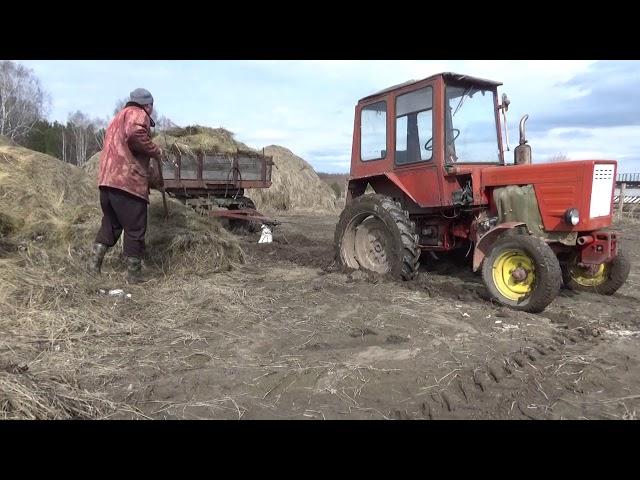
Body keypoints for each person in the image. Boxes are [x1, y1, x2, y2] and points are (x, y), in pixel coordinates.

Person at [89, 88, 163, 283]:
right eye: (152, 106)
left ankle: (93, 267)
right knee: (135, 228)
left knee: (110, 225)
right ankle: (134, 276)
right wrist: (155, 150)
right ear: (148, 105)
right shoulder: (138, 114)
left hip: (107, 182)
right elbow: (135, 134)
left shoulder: (117, 118)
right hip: (127, 182)